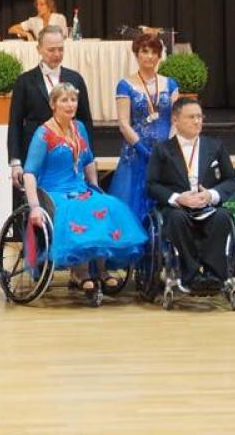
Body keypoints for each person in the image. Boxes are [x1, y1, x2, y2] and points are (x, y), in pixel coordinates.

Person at [23, 83, 145, 290]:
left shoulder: (78, 128)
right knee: (79, 211)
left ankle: (102, 270)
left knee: (107, 205)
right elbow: (29, 172)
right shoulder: (43, 134)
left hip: (80, 189)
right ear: (53, 104)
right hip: (54, 192)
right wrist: (34, 205)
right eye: (64, 100)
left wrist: (95, 186)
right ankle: (81, 272)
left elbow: (88, 159)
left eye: (73, 100)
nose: (70, 105)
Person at [146, 98, 235, 290]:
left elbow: (231, 180)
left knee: (222, 217)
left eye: (199, 116)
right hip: (178, 208)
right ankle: (191, 275)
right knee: (178, 219)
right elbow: (152, 184)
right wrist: (177, 198)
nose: (197, 121)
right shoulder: (162, 149)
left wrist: (211, 195)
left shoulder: (215, 146)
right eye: (191, 117)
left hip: (208, 206)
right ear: (175, 120)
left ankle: (215, 275)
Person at [7, 26, 93, 191]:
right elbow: (15, 122)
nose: (56, 54)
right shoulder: (25, 81)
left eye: (60, 49)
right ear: (39, 49)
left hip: (66, 156)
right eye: (51, 50)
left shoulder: (75, 78)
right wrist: (15, 161)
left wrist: (87, 156)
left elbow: (85, 120)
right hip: (34, 152)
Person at [109, 33, 178, 221]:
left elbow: (176, 120)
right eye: (144, 51)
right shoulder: (125, 85)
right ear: (136, 54)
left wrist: (170, 148)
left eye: (154, 52)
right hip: (137, 153)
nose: (149, 56)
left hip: (166, 153)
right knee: (133, 204)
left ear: (159, 56)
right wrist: (142, 149)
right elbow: (123, 123)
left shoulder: (170, 84)